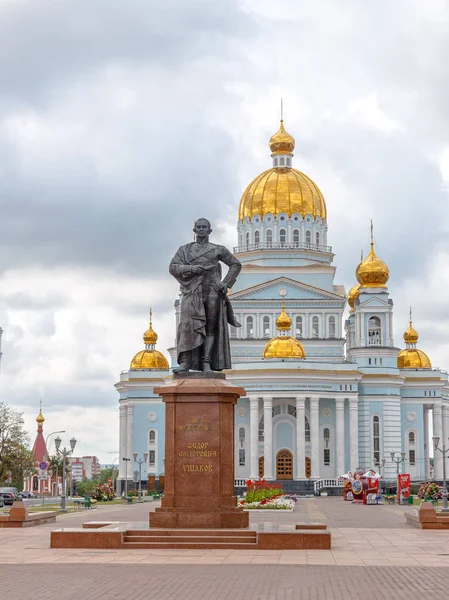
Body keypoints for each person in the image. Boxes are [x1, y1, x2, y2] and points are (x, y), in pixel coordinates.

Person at [169, 218, 241, 373]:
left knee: (210, 327)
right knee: (187, 325)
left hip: (212, 292)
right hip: (192, 292)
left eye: (204, 227)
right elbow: (173, 267)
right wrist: (193, 268)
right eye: (199, 227)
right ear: (195, 230)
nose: (201, 229)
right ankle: (186, 362)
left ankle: (207, 362)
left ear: (210, 231)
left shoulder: (217, 249)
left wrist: (225, 283)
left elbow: (235, 264)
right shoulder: (185, 250)